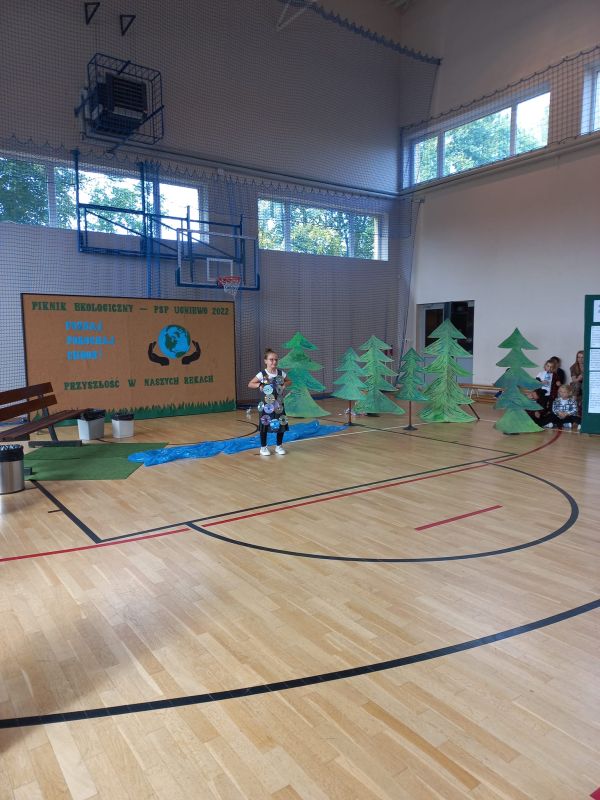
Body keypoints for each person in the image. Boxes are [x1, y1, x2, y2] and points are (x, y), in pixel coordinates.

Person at [248, 348, 292, 456]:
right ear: (266, 361)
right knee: (264, 425)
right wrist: (259, 384)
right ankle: (263, 448)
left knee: (281, 423)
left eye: (276, 359)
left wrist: (284, 384)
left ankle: (279, 446)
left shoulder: (281, 373)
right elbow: (250, 384)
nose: (274, 362)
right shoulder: (262, 374)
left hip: (279, 404)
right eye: (271, 359)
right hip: (266, 405)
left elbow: (289, 381)